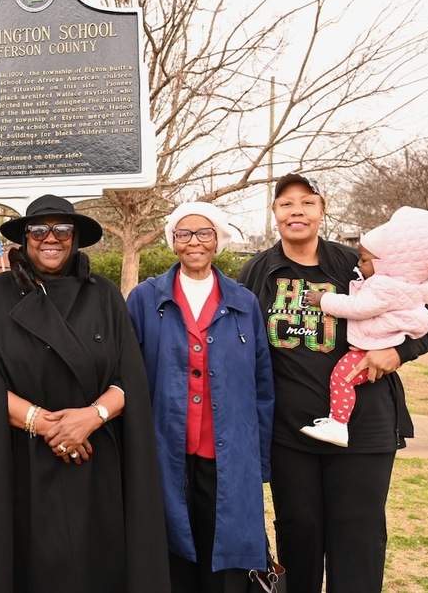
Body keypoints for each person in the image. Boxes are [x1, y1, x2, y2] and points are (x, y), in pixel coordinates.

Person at [0, 194, 170, 593]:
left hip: (94, 459)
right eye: (39, 230)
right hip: (21, 463)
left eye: (63, 229)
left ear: (76, 237)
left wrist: (91, 417)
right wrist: (46, 424)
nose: (51, 238)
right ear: (25, 238)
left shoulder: (104, 295)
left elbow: (131, 379)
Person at [238, 173, 428, 593]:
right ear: (274, 213)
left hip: (364, 430)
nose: (296, 211)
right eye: (286, 203)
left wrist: (397, 352)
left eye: (307, 202)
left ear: (322, 210)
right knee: (299, 530)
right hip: (290, 432)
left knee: (357, 533)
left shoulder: (356, 263)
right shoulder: (257, 271)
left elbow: (423, 318)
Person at [127, 201, 274, 592]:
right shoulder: (144, 298)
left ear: (218, 240)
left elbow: (262, 385)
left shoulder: (243, 302)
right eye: (184, 233)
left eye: (204, 233)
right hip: (165, 449)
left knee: (222, 552)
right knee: (170, 547)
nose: (194, 241)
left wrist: (259, 461)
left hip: (228, 452)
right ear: (173, 241)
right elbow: (125, 374)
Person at [301, 206, 428, 447]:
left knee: (342, 378)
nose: (358, 264)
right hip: (374, 345)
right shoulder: (410, 283)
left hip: (371, 353)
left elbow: (358, 307)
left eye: (364, 260)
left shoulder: (383, 285)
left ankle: (337, 424)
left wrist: (323, 299)